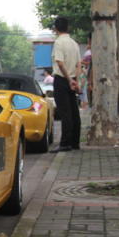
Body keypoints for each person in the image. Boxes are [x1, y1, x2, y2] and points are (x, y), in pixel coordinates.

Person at [50, 17, 82, 153]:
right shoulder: (74, 43)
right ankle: (75, 142)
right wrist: (76, 81)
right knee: (74, 111)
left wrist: (69, 80)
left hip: (62, 80)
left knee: (65, 113)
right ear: (67, 28)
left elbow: (60, 63)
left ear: (56, 28)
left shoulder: (58, 43)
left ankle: (65, 143)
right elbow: (79, 64)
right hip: (73, 78)